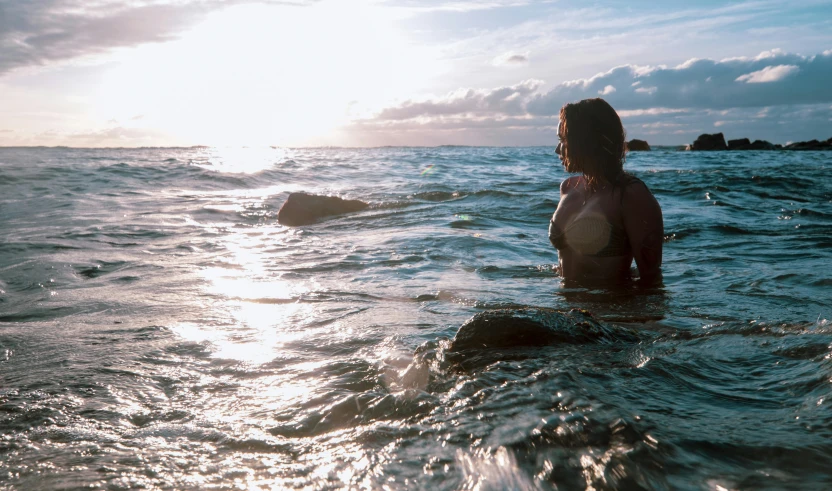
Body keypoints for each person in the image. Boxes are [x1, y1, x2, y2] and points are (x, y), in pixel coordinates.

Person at [549, 98, 663, 285]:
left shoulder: (630, 195)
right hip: (565, 307)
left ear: (586, 140)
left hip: (606, 310)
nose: (557, 150)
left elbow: (651, 279)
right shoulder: (568, 188)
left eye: (563, 140)